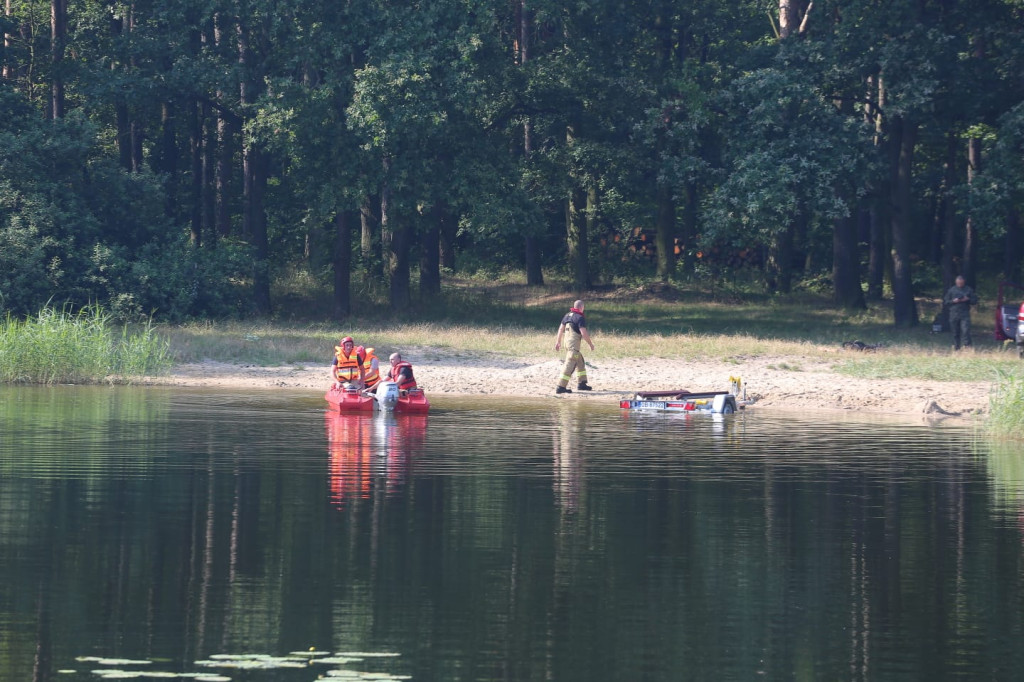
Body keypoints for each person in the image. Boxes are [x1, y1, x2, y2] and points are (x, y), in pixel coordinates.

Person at [554, 299, 594, 394]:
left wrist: (558, 342)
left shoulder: (567, 316)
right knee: (570, 364)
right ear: (581, 307)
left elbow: (560, 329)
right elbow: (583, 333)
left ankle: (582, 383)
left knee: (580, 361)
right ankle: (561, 386)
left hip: (567, 345)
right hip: (573, 348)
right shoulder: (579, 317)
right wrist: (590, 344)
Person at [943, 275, 978, 350]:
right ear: (956, 282)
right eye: (958, 283)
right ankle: (956, 348)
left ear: (964, 282)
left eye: (961, 283)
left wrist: (967, 299)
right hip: (954, 314)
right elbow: (946, 302)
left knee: (966, 331)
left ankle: (967, 347)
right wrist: (953, 301)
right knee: (955, 332)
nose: (959, 285)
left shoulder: (968, 289)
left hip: (964, 314)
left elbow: (974, 301)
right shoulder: (951, 290)